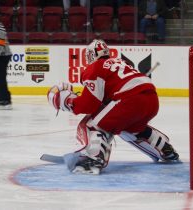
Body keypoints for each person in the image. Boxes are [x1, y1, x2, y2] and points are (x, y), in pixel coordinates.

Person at [47, 39, 179, 174]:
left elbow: (88, 104)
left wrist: (66, 101)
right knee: (130, 128)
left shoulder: (95, 67)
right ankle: (165, 149)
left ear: (92, 55)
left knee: (91, 124)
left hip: (129, 100)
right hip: (151, 99)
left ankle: (94, 159)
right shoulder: (120, 62)